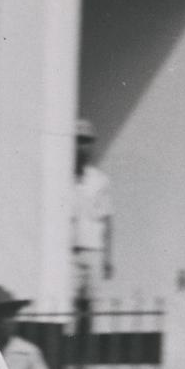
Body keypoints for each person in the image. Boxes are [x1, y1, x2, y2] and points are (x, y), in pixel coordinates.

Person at [70, 118, 112, 316]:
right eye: (78, 141)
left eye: (86, 141)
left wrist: (107, 258)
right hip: (69, 252)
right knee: (69, 305)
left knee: (93, 307)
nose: (81, 147)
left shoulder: (100, 180)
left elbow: (107, 219)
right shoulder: (61, 177)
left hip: (93, 250)